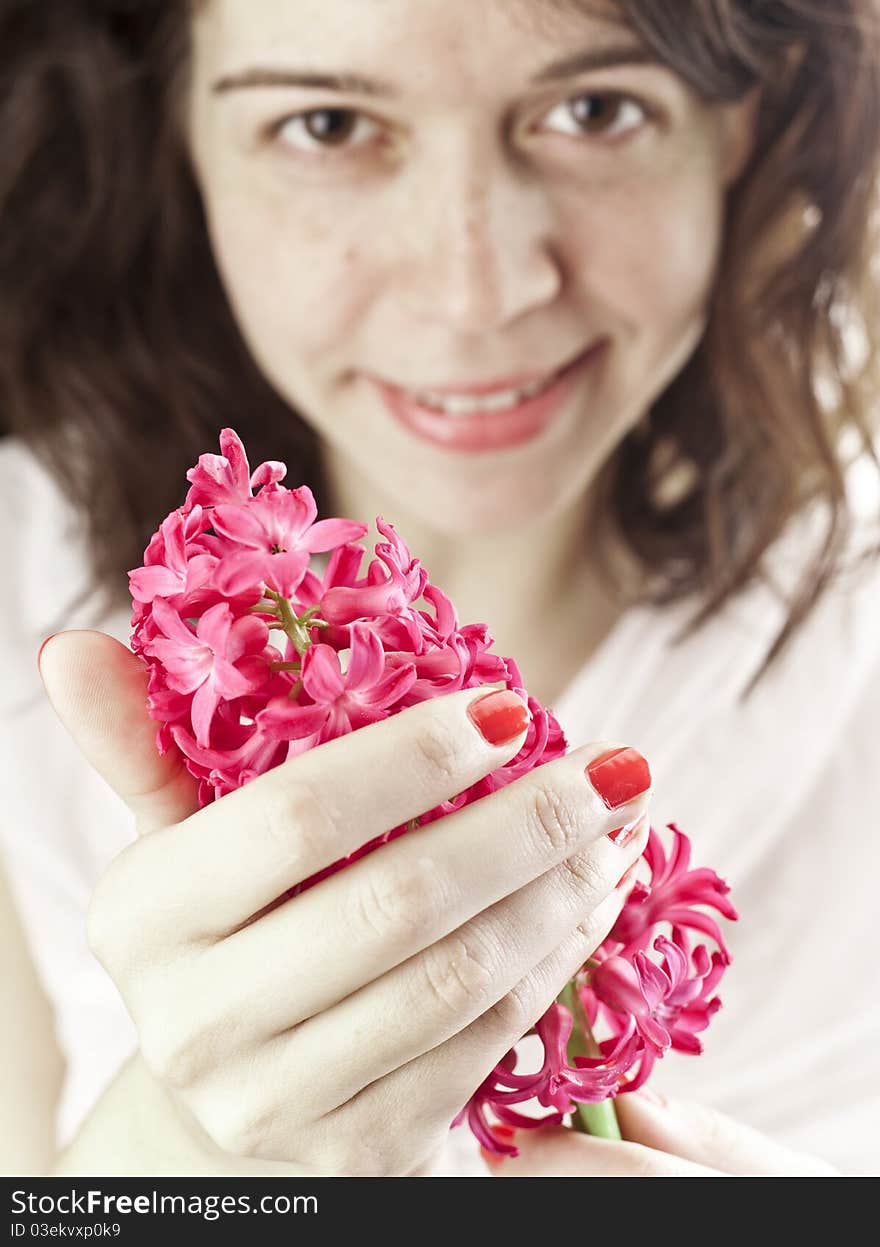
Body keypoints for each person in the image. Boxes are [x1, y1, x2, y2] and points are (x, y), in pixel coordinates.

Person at [1, 0, 878, 1178]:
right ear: (175, 143)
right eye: (325, 122)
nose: (479, 291)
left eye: (594, 109)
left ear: (745, 131)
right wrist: (185, 1149)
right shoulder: (23, 574)